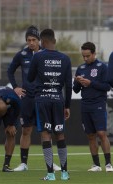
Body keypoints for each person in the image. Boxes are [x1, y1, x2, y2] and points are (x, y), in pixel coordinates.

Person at [7, 25, 60, 172]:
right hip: (27, 98)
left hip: (43, 97)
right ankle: (23, 163)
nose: (31, 42)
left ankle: (50, 163)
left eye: (34, 39)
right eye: (28, 40)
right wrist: (15, 87)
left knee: (46, 131)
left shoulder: (46, 53)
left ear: (39, 40)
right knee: (26, 130)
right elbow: (10, 71)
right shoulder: (22, 54)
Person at [27, 28, 72, 180]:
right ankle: (65, 173)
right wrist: (67, 106)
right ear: (54, 41)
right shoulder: (65, 59)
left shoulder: (38, 57)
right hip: (58, 100)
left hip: (43, 100)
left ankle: (51, 174)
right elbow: (69, 85)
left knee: (46, 134)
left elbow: (30, 77)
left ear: (43, 42)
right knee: (60, 134)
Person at [73, 42, 113, 172]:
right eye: (83, 56)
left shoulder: (102, 67)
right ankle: (96, 165)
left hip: (98, 104)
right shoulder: (81, 68)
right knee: (90, 135)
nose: (85, 58)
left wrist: (91, 83)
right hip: (85, 104)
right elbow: (76, 90)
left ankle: (108, 164)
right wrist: (77, 82)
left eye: (87, 56)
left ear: (94, 53)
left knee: (101, 133)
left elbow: (107, 86)